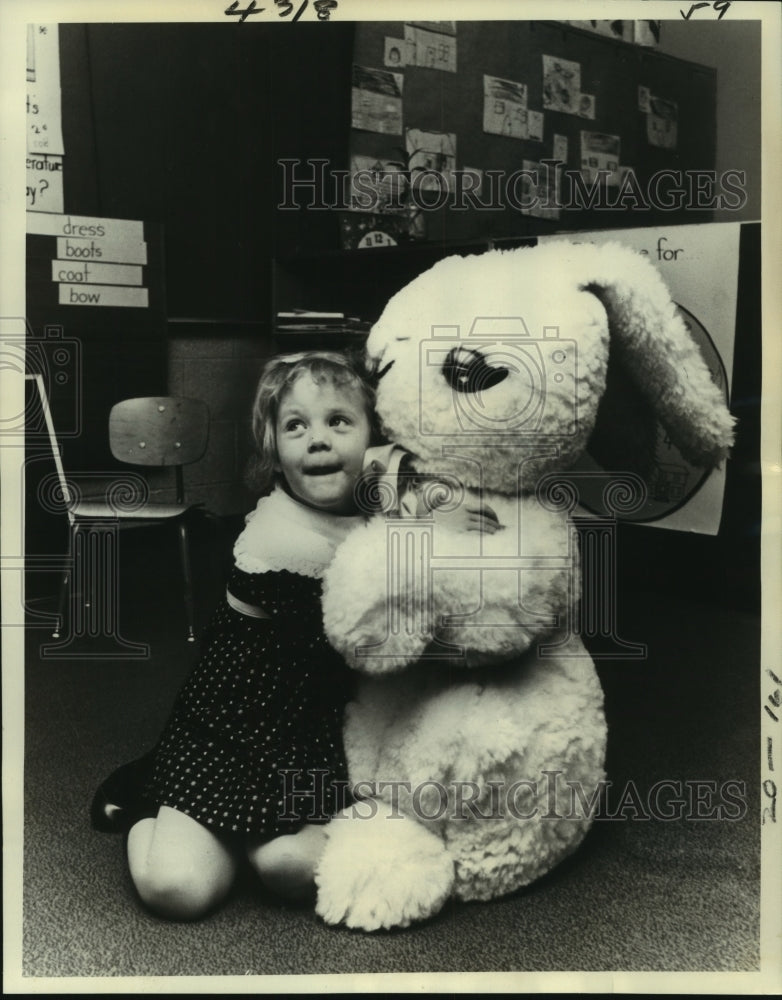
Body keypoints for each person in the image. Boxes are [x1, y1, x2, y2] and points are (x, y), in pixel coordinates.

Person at [92, 351, 383, 920]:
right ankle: (150, 796)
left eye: (339, 422)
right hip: (231, 733)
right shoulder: (276, 543)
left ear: (375, 435)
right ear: (274, 448)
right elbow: (368, 628)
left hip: (320, 730)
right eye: (295, 425)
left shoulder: (382, 507)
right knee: (174, 889)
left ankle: (259, 842)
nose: (317, 440)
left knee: (287, 867)